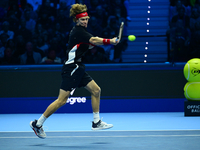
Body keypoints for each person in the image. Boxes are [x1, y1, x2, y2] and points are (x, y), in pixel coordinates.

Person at [30, 3, 119, 139]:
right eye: (82, 20)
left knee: (96, 90)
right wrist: (111, 41)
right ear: (77, 20)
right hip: (72, 68)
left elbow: (90, 44)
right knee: (61, 101)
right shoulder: (79, 31)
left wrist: (99, 43)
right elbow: (94, 40)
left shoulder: (80, 33)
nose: (85, 21)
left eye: (86, 19)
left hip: (78, 68)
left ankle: (96, 122)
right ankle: (38, 123)